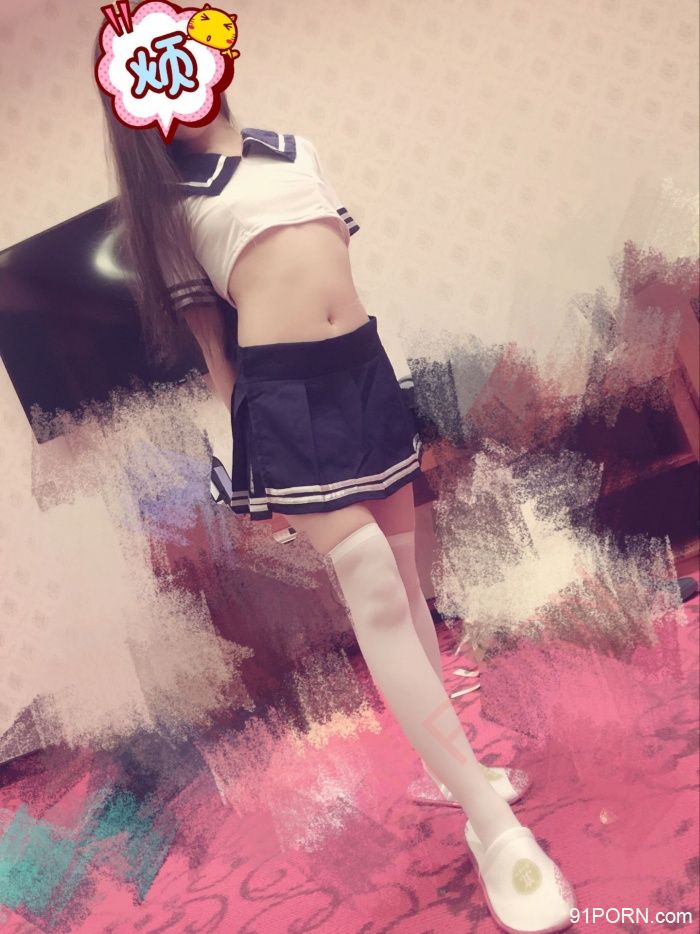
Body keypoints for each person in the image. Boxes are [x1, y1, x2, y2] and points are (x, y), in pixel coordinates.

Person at [95, 43, 576, 933]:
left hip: (363, 373)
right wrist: (259, 459)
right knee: (376, 595)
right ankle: (495, 827)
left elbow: (328, 268)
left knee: (409, 590)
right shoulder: (167, 205)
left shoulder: (296, 151)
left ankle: (450, 770)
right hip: (284, 401)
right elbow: (214, 350)